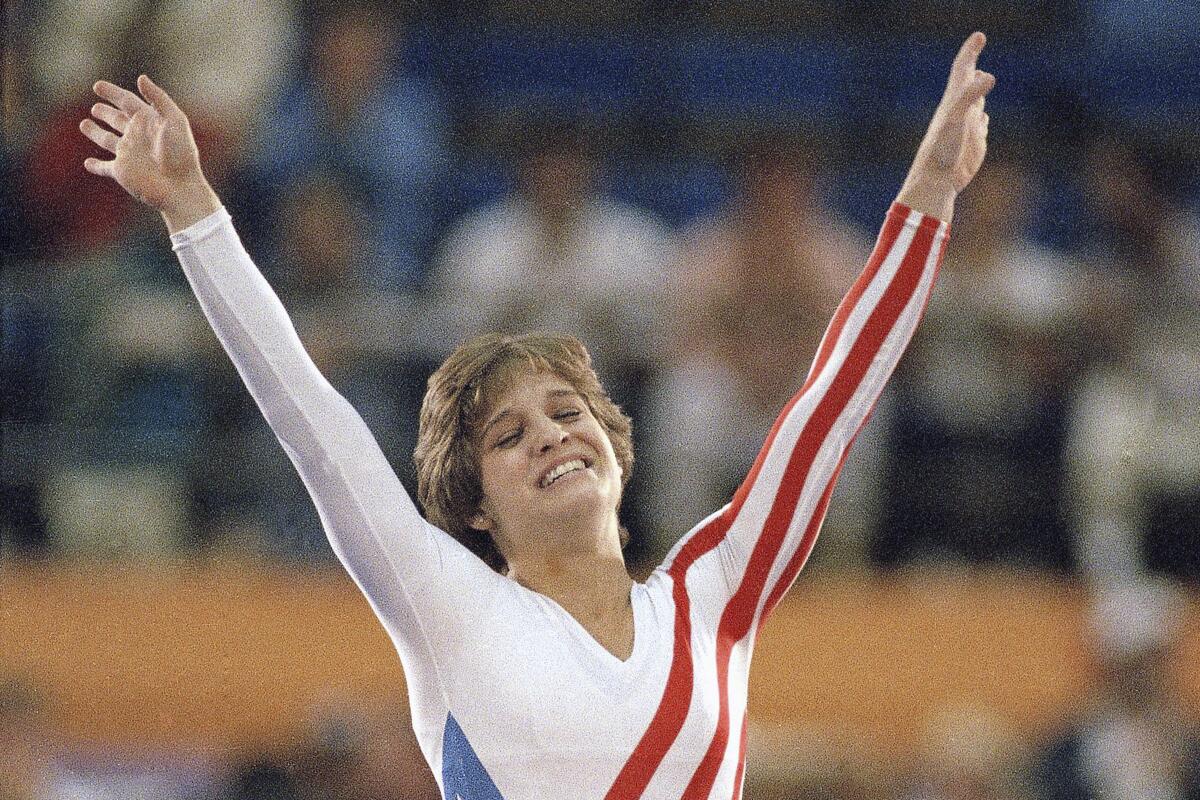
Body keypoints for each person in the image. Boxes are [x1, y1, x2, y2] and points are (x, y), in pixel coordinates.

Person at [78, 31, 993, 799]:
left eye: (566, 412)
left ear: (616, 448)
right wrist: (194, 211)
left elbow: (832, 401)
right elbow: (306, 414)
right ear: (473, 505)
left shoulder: (710, 598)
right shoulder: (449, 605)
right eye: (510, 436)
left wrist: (932, 193)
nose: (553, 434)